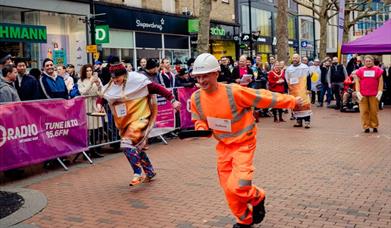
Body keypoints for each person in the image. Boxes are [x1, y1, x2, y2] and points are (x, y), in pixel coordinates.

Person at [190, 53, 303, 228]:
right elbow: (199, 119)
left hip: (244, 144)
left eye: (206, 75)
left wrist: (291, 101)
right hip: (223, 147)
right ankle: (244, 220)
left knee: (240, 186)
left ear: (216, 74)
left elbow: (263, 97)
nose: (202, 80)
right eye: (198, 76)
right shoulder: (196, 98)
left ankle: (257, 196)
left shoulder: (233, 92)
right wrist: (200, 128)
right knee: (229, 189)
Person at [100, 62, 181, 186]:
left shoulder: (137, 81)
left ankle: (138, 173)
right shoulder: (112, 85)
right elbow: (102, 97)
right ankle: (150, 172)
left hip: (142, 118)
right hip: (126, 122)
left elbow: (158, 88)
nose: (115, 80)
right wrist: (99, 105)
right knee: (135, 147)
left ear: (124, 75)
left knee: (126, 144)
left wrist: (173, 100)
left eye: (117, 77)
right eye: (113, 78)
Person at [78, 64, 104, 158]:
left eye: (90, 70)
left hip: (95, 104)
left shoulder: (97, 79)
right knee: (89, 128)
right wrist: (90, 83)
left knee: (97, 128)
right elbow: (82, 92)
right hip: (86, 105)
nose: (89, 72)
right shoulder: (80, 81)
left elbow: (101, 91)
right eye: (87, 71)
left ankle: (95, 149)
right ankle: (88, 150)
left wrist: (98, 85)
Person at [355, 55, 384, 133]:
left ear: (373, 61)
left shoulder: (378, 70)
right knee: (364, 111)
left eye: (370, 61)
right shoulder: (360, 70)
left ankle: (374, 125)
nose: (368, 62)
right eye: (367, 61)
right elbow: (357, 82)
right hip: (363, 95)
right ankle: (366, 126)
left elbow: (381, 82)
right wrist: (357, 92)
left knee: (374, 111)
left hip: (374, 94)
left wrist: (380, 91)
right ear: (364, 62)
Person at [285, 54, 312, 128]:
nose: (295, 59)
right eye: (293, 58)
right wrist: (286, 90)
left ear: (299, 58)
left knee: (305, 105)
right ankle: (298, 121)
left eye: (296, 58)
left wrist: (309, 89)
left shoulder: (304, 67)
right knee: (296, 106)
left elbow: (308, 79)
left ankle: (307, 122)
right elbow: (286, 80)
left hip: (303, 90)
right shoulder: (289, 69)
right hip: (294, 91)